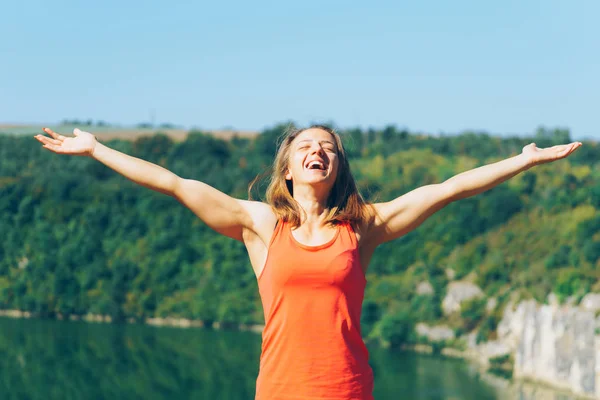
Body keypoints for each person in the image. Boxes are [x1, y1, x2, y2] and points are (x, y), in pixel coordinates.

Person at [35, 125, 581, 399]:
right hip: (279, 390)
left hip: (347, 388)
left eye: (329, 148)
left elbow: (447, 189)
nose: (318, 151)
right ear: (289, 167)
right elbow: (175, 183)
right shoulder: (261, 225)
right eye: (305, 147)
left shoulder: (362, 226)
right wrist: (96, 149)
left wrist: (522, 161)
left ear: (337, 166)